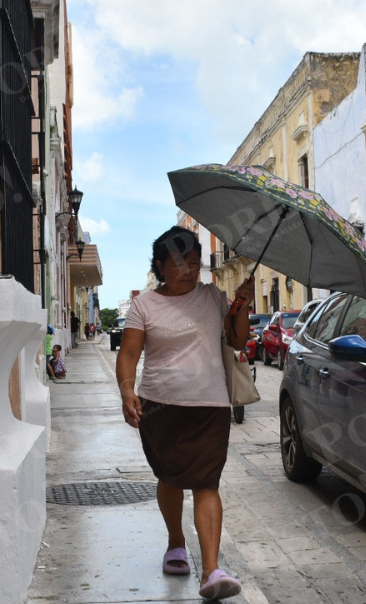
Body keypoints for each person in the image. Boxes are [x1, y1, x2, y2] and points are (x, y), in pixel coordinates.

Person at [117, 226, 253, 600]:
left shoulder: (212, 296)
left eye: (194, 263)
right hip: (160, 407)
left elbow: (238, 339)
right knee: (171, 477)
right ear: (160, 266)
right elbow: (128, 354)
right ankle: (176, 541)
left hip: (209, 405)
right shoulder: (144, 304)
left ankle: (211, 570)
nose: (190, 271)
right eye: (180, 264)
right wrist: (127, 391)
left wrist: (242, 306)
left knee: (207, 482)